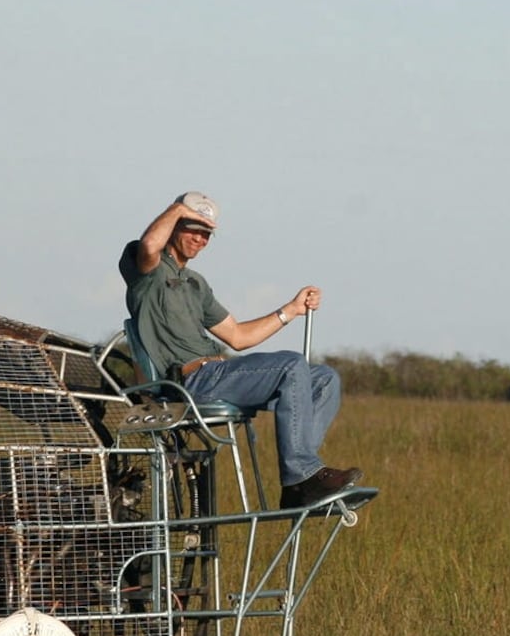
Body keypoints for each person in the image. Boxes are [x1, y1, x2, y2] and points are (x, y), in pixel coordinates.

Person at [121, 192, 359, 509]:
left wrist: (291, 309)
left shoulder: (197, 284)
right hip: (189, 382)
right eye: (193, 228)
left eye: (206, 233)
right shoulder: (146, 269)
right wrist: (177, 209)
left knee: (325, 378)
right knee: (291, 364)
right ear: (175, 223)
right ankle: (301, 477)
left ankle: (304, 480)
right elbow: (151, 245)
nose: (200, 238)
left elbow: (238, 336)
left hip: (220, 373)